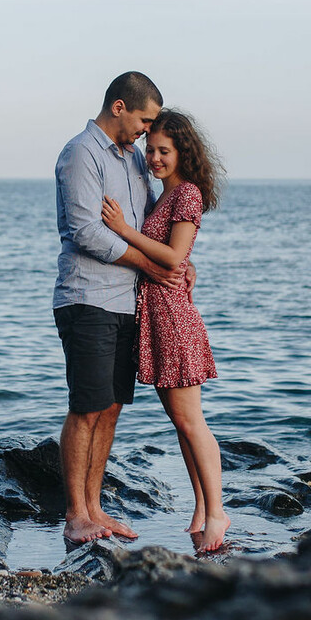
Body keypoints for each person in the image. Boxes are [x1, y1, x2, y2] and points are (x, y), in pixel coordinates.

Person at [52, 72, 189, 545]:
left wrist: (178, 264)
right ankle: (75, 515)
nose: (148, 131)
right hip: (86, 298)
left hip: (126, 303)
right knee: (86, 407)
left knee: (110, 408)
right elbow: (87, 232)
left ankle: (96, 508)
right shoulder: (80, 154)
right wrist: (151, 268)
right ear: (119, 108)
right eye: (145, 120)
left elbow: (152, 227)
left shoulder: (133, 160)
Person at [101, 108, 229, 552]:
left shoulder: (187, 194)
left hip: (173, 318)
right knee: (181, 421)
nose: (153, 158)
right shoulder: (164, 197)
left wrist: (122, 230)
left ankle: (217, 513)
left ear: (183, 153)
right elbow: (178, 257)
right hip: (157, 316)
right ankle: (201, 507)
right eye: (150, 149)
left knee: (192, 422)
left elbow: (173, 256)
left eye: (163, 151)